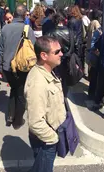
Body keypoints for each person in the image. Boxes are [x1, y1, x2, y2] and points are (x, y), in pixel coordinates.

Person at [24, 36, 66, 172]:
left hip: (48, 135)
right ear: (44, 55)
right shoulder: (38, 83)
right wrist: (53, 138)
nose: (61, 54)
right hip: (45, 140)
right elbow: (35, 122)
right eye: (57, 51)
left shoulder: (47, 72)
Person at [0, 5, 36, 128]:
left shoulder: (5, 28)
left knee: (14, 89)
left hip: (7, 67)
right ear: (25, 15)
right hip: (22, 67)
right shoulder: (27, 29)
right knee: (20, 94)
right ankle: (18, 120)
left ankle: (10, 116)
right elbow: (33, 48)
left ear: (14, 14)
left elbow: (0, 50)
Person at [45, 12, 73, 96]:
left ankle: (55, 94)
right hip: (67, 58)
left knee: (54, 76)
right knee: (65, 78)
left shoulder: (50, 32)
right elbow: (75, 45)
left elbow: (46, 46)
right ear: (63, 20)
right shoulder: (70, 31)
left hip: (53, 58)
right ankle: (64, 95)